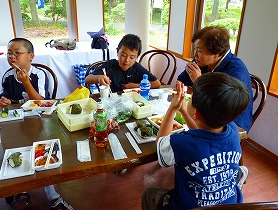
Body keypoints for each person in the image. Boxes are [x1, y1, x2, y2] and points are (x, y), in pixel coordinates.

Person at [142, 72, 250, 210]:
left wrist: (172, 109)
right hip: (229, 204)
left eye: (191, 97)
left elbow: (161, 145)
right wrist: (185, 112)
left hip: (190, 207)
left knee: (149, 194)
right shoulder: (233, 131)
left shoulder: (182, 143)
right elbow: (201, 133)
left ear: (197, 113)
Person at [0, 38, 73, 210]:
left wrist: (26, 82)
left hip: (42, 119)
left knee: (44, 150)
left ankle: (52, 194)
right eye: (9, 53)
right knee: (14, 147)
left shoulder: (39, 74)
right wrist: (5, 101)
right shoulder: (8, 76)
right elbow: (9, 100)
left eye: (17, 53)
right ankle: (21, 187)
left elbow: (41, 102)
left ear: (31, 56)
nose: (12, 57)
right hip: (18, 121)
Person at [177, 26, 253, 132]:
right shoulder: (202, 61)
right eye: (195, 49)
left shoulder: (236, 70)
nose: (195, 55)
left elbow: (221, 104)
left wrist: (199, 81)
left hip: (228, 123)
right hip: (204, 112)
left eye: (199, 51)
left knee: (179, 134)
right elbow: (181, 81)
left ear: (217, 53)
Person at [85, 33, 161, 92]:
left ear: (137, 57)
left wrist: (135, 86)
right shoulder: (109, 66)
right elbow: (87, 79)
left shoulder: (137, 68)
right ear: (117, 51)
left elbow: (157, 83)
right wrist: (99, 77)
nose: (126, 60)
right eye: (123, 55)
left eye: (132, 57)